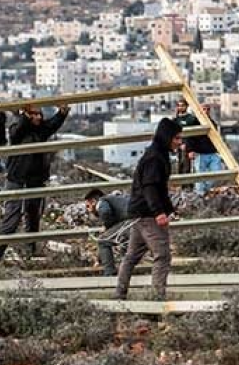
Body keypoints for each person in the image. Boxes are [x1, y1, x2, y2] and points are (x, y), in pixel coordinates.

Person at [0, 103, 70, 262]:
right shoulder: (17, 128)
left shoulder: (41, 130)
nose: (38, 117)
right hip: (17, 180)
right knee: (12, 219)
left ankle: (30, 252)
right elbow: (18, 130)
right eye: (33, 114)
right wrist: (25, 116)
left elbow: (53, 124)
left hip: (35, 180)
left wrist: (62, 112)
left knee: (33, 218)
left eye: (39, 114)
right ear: (26, 115)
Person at [115, 118, 183, 301]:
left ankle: (119, 294)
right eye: (176, 138)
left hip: (140, 213)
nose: (179, 142)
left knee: (131, 256)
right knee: (162, 255)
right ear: (167, 137)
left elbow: (159, 188)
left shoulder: (157, 154)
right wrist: (159, 212)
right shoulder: (155, 157)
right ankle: (157, 299)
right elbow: (150, 187)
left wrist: (169, 209)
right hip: (147, 215)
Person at [85, 188, 134, 277]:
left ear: (93, 201)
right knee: (124, 243)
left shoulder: (102, 201)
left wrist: (106, 226)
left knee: (103, 241)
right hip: (140, 220)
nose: (89, 210)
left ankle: (109, 273)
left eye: (88, 206)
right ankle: (126, 273)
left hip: (131, 222)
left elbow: (106, 212)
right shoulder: (118, 199)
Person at [188, 105, 223, 197]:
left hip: (212, 152)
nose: (206, 111)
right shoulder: (194, 122)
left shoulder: (212, 123)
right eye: (204, 109)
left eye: (208, 109)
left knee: (217, 172)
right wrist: (190, 150)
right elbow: (190, 138)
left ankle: (205, 189)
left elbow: (216, 137)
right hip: (199, 153)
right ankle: (200, 194)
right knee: (200, 175)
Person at [173, 100, 199, 178]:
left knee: (187, 166)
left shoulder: (191, 118)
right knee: (179, 165)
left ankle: (187, 186)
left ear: (186, 106)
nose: (180, 107)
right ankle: (181, 186)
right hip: (179, 145)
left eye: (182, 105)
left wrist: (191, 148)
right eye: (179, 105)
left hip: (188, 145)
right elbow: (172, 132)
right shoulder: (175, 119)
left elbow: (196, 134)